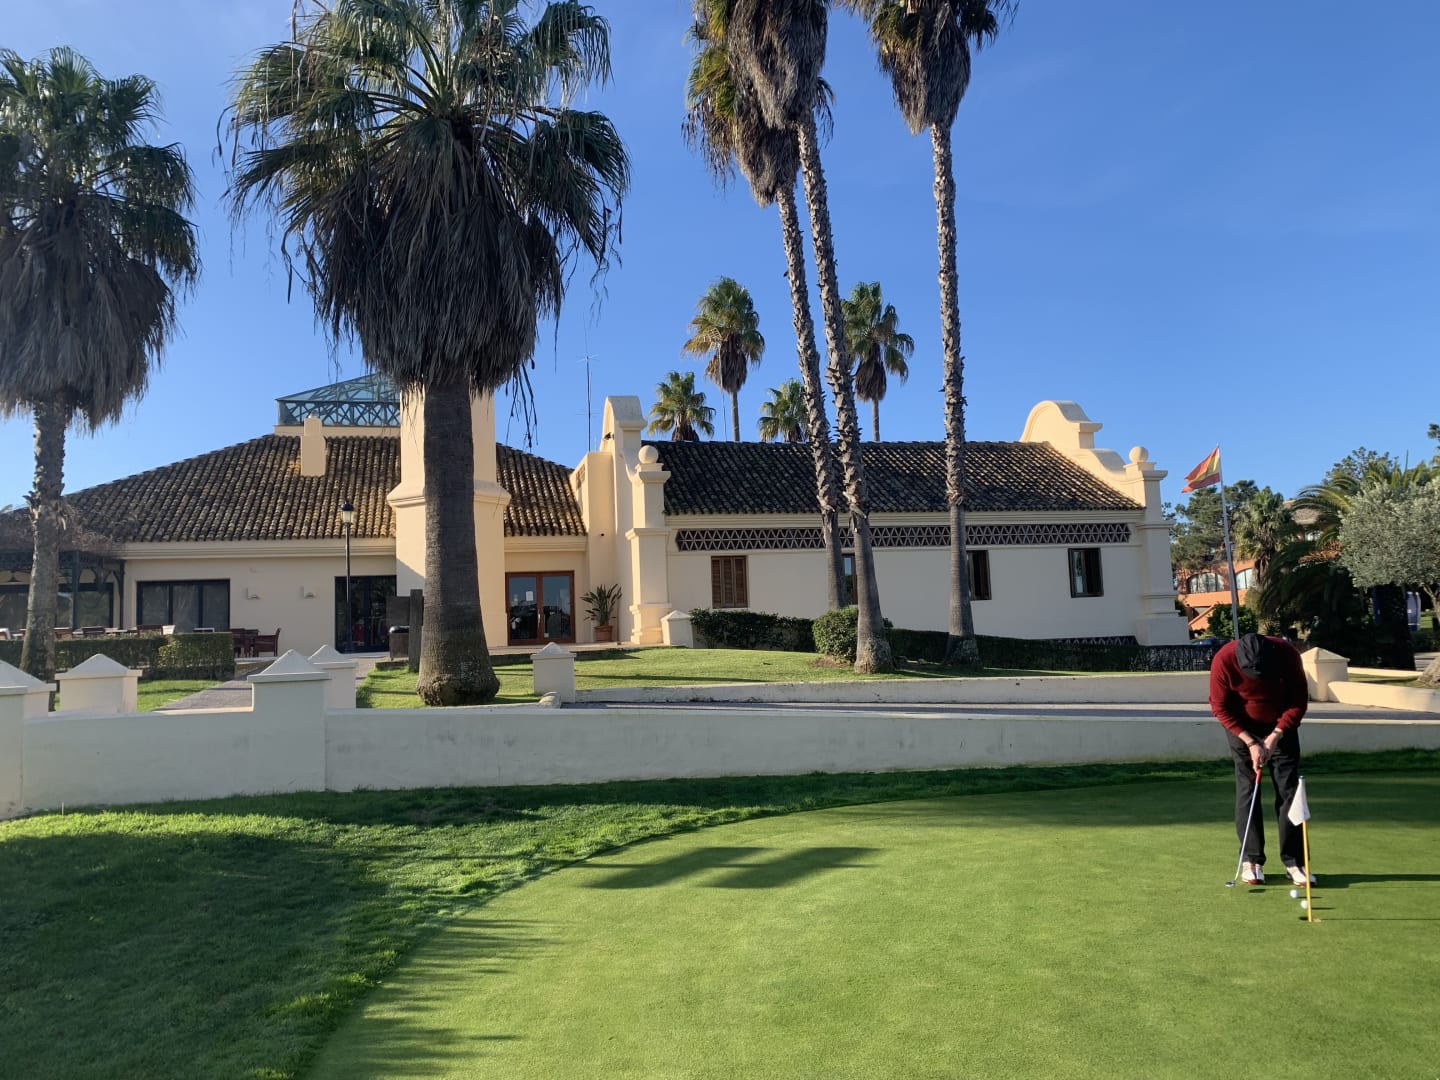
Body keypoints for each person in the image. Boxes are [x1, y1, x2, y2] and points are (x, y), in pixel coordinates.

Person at [1208, 631, 1314, 886]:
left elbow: (1298, 701)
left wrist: (1276, 735)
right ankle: (1252, 860)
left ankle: (1295, 862)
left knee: (1289, 791)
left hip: (1281, 726)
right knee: (1248, 788)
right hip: (1241, 728)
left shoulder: (1287, 655)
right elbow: (1220, 707)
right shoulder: (1224, 659)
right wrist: (1251, 742)